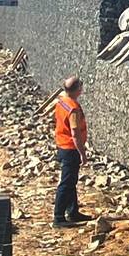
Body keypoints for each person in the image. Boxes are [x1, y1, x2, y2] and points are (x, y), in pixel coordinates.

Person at [52, 76, 91, 227]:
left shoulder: (62, 101)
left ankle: (73, 211)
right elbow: (75, 132)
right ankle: (59, 217)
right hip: (70, 148)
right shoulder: (73, 108)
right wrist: (82, 153)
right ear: (78, 90)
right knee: (67, 183)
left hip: (62, 145)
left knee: (71, 181)